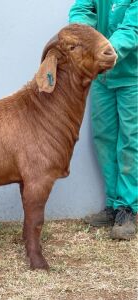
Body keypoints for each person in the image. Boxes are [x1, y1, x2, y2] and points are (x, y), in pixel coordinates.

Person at [69, 0, 137, 239]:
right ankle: (112, 205)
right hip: (102, 78)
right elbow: (82, 9)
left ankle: (127, 208)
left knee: (130, 143)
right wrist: (81, 31)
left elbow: (132, 28)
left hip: (132, 77)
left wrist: (103, 48)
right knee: (104, 139)